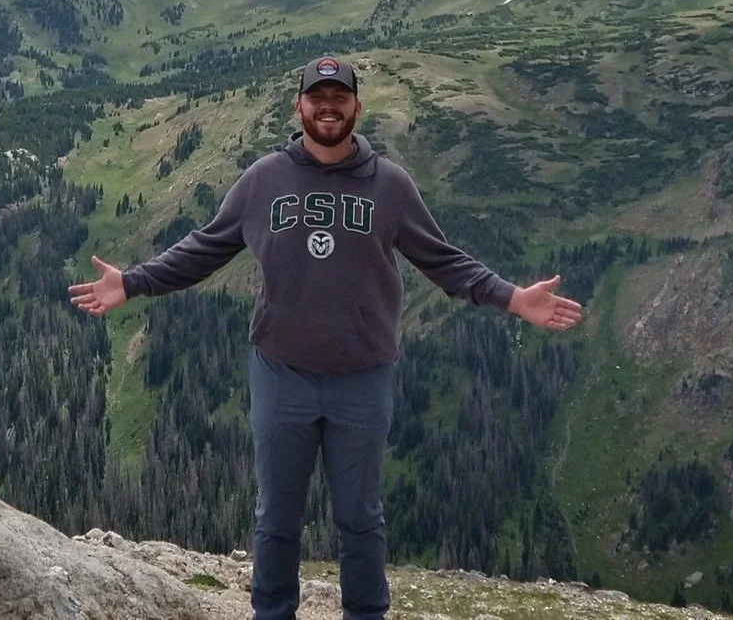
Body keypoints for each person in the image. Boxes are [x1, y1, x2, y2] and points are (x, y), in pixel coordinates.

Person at [68, 56, 583, 620]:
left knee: (360, 518)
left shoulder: (389, 184)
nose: (329, 106)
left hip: (363, 378)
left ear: (357, 107)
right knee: (277, 518)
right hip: (280, 373)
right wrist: (133, 282)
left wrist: (513, 297)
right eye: (318, 97)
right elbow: (204, 248)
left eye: (340, 97)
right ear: (300, 106)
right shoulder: (264, 179)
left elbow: (444, 261)